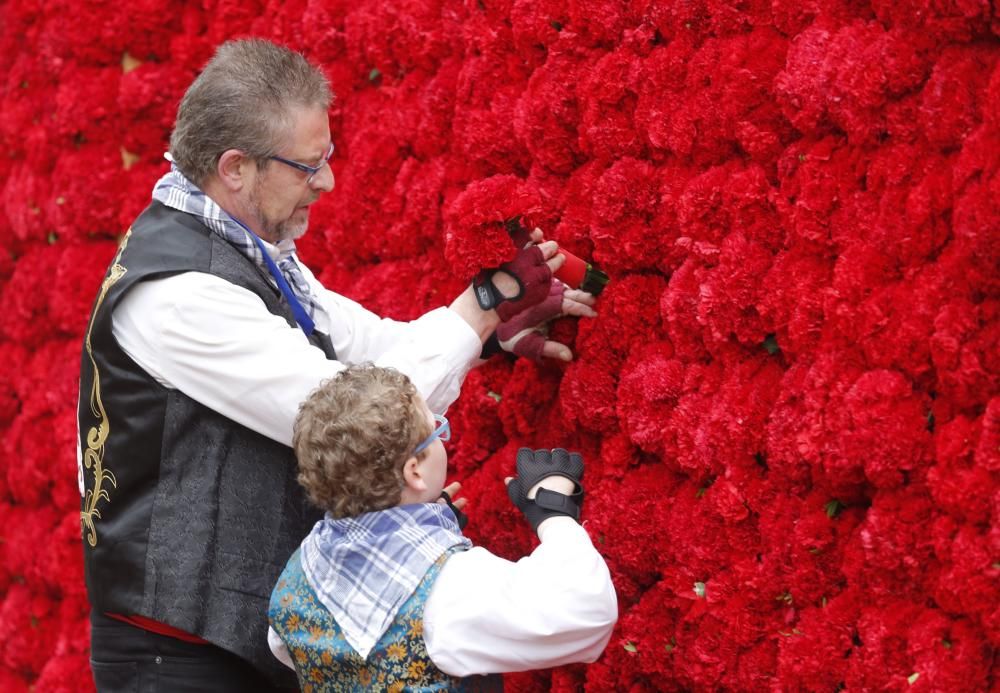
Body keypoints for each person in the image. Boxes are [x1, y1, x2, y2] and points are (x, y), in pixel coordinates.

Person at [78, 39, 596, 692]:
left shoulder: (241, 244)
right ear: (236, 167)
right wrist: (484, 306)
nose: (326, 183)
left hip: (232, 638)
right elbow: (348, 415)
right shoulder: (180, 294)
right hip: (183, 656)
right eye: (309, 165)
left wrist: (491, 335)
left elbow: (366, 342)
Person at [267, 365, 617, 691]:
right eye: (435, 430)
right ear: (414, 470)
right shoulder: (451, 589)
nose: (441, 437)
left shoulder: (296, 576)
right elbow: (585, 612)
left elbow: (288, 650)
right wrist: (553, 510)